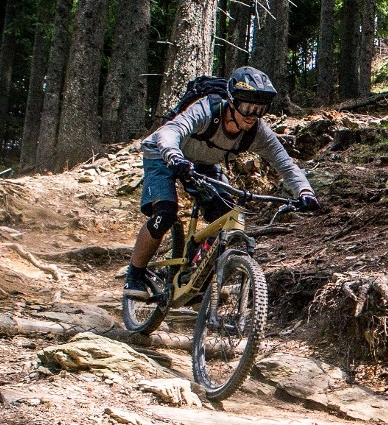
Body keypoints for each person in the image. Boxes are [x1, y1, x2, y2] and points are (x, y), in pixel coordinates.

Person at [124, 67, 322, 298]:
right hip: (163, 154)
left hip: (203, 163)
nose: (252, 115)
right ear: (232, 101)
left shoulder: (257, 132)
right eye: (247, 107)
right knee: (165, 213)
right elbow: (171, 131)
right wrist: (173, 156)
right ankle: (135, 275)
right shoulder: (207, 109)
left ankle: (194, 273)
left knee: (226, 216)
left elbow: (285, 164)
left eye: (259, 109)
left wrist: (305, 191)